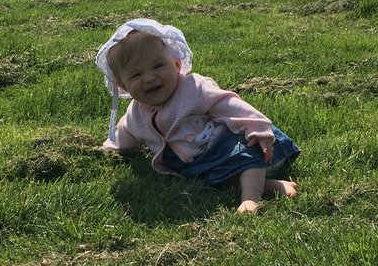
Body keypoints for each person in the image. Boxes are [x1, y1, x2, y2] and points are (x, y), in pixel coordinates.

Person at [96, 18, 299, 214]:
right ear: (123, 86)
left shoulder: (194, 88)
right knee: (215, 179)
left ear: (176, 65)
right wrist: (112, 148)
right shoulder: (136, 115)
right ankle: (273, 186)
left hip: (230, 144)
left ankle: (250, 200)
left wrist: (258, 127)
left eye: (158, 66)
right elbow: (125, 135)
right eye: (136, 75)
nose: (149, 78)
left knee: (245, 158)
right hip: (202, 162)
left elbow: (229, 105)